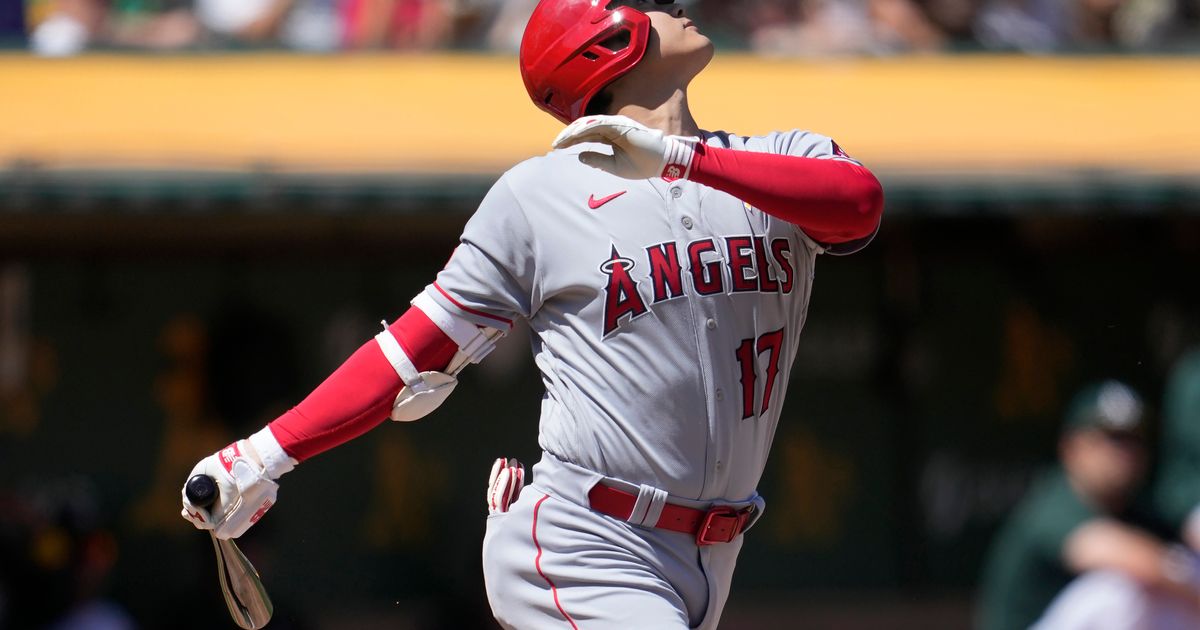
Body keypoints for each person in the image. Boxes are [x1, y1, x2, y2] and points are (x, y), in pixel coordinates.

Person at [179, 0, 884, 627]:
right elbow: (412, 352)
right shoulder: (542, 192)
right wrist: (261, 456)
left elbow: (858, 203)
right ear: (601, 40)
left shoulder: (776, 160)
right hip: (589, 539)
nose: (680, 6)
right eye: (653, 2)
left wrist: (680, 159)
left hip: (712, 553)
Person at [977, 380, 1200, 630]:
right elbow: (1130, 560)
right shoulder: (1054, 503)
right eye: (1112, 439)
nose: (1125, 453)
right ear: (1071, 447)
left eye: (1134, 440)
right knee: (1121, 592)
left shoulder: (1139, 510)